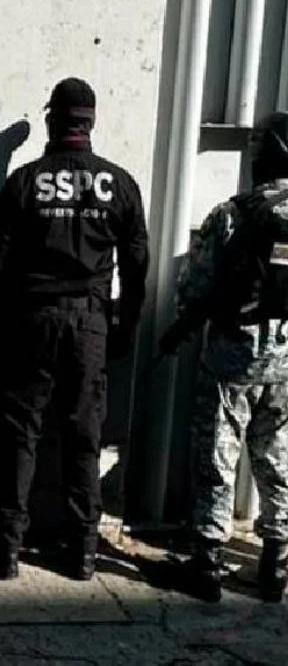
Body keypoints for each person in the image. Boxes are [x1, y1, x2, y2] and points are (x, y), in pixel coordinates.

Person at [0, 78, 149, 582]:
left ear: (52, 120)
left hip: (31, 320)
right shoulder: (119, 184)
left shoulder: (25, 181)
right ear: (90, 122)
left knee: (20, 434)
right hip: (90, 322)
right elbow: (137, 267)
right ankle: (83, 551)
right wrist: (125, 328)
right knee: (83, 437)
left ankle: (6, 548)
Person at [159, 111, 288, 603]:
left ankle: (207, 560)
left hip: (233, 357)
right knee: (276, 455)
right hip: (286, 359)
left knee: (217, 452)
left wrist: (184, 323)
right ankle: (276, 562)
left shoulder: (233, 213)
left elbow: (194, 285)